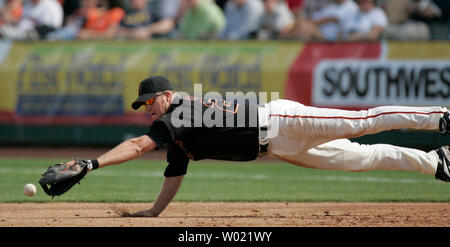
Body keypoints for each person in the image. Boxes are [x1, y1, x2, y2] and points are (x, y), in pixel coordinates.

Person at [62, 75, 450, 217]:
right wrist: (154, 212)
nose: (147, 110)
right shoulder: (178, 131)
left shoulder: (177, 114)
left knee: (363, 121)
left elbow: (136, 146)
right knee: (362, 159)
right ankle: (435, 163)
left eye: (149, 102)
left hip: (281, 121)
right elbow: (174, 172)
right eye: (144, 106)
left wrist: (93, 165)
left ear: (166, 95)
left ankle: (439, 116)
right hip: (280, 148)